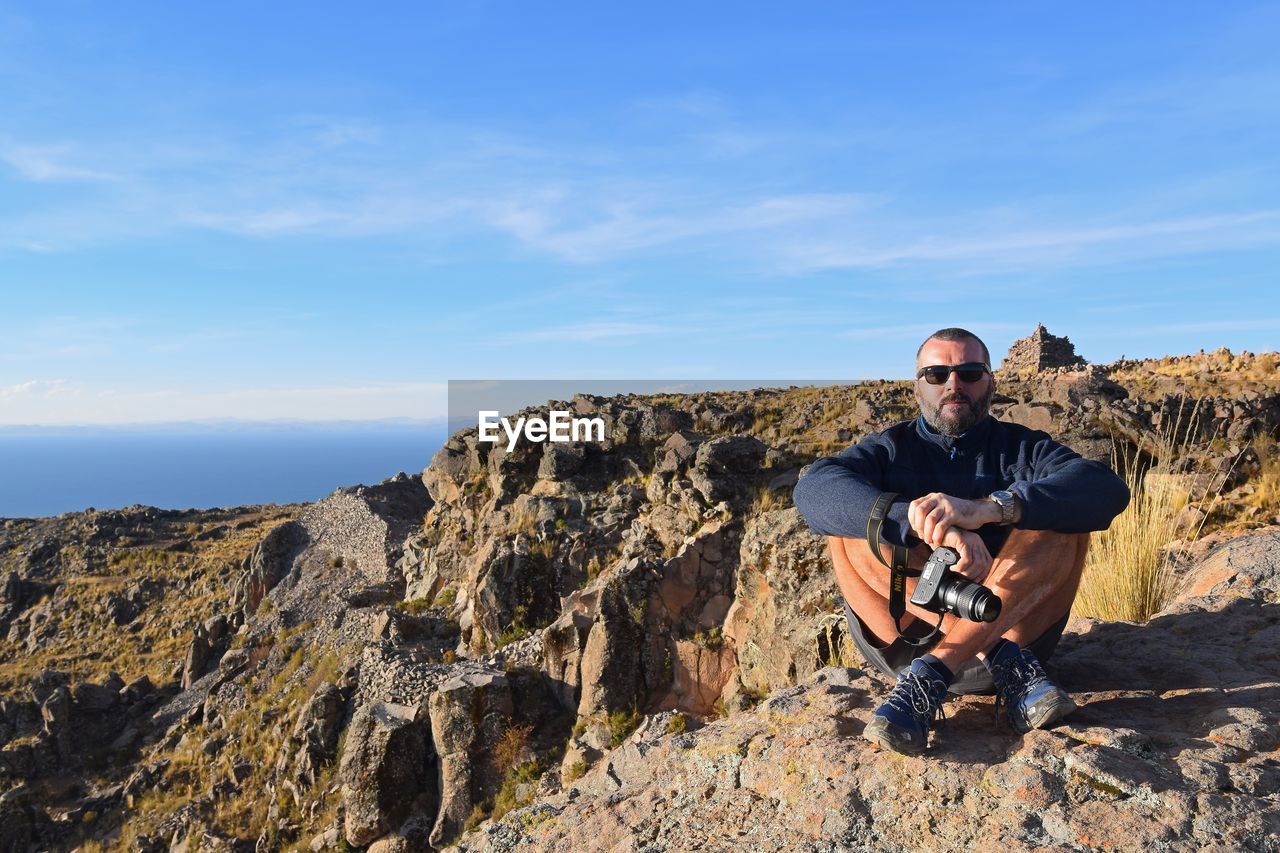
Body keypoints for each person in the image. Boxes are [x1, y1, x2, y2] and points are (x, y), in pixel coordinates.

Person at [792, 327, 1130, 755]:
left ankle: (934, 674)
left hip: (1012, 647)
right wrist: (920, 522)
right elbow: (814, 490)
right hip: (910, 639)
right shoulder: (890, 449)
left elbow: (1106, 489)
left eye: (970, 372)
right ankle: (970, 656)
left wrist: (994, 508)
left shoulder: (1023, 449)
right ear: (917, 388)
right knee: (853, 522)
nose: (954, 384)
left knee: (1063, 519)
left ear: (991, 382)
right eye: (936, 374)